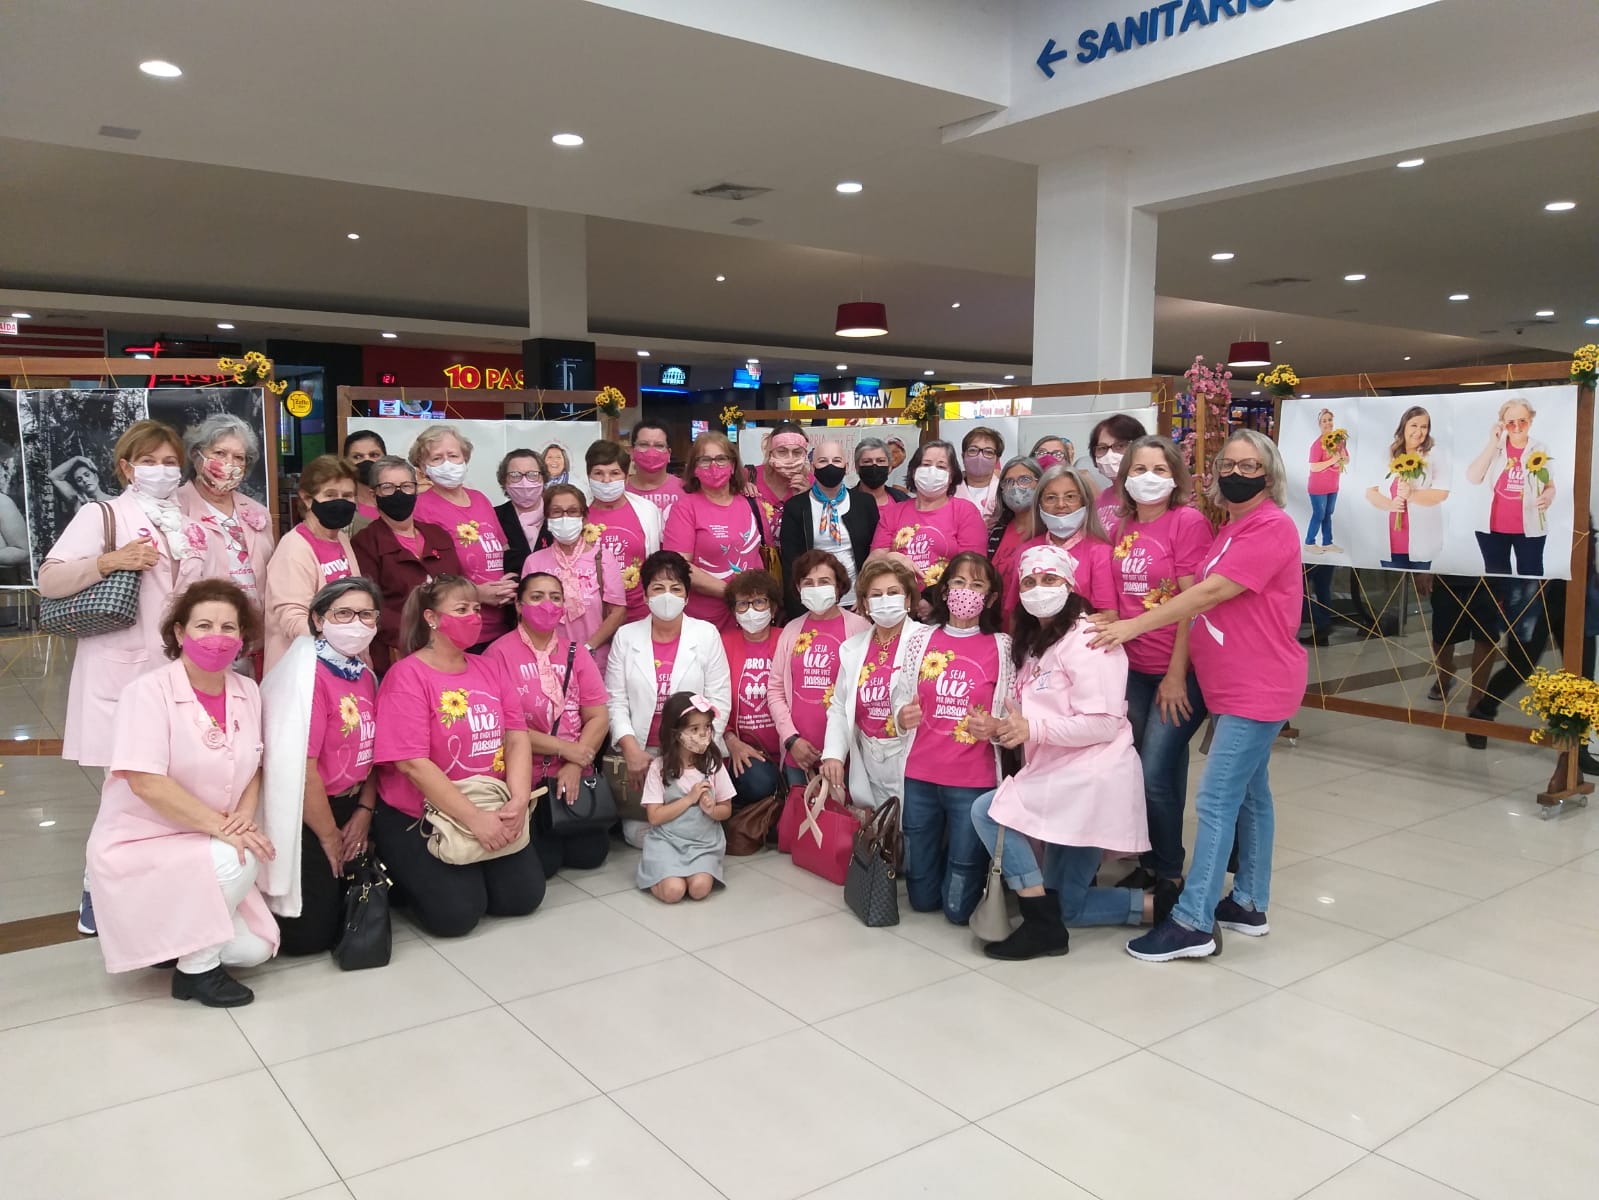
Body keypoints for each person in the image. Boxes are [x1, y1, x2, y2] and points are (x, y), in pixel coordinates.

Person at [1092, 429, 1306, 962]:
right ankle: (1250, 902)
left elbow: (1207, 592)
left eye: (1250, 466)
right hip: (1231, 681)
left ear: (1270, 475)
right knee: (1252, 794)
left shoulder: (1272, 527)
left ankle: (1192, 922)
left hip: (1259, 684)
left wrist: (1132, 627)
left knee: (1216, 799)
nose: (1237, 473)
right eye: (1228, 464)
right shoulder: (1232, 528)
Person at [39, 419, 210, 935]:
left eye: (169, 461)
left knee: (171, 784)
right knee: (126, 788)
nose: (161, 470)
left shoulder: (188, 522)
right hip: (124, 673)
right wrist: (110, 560)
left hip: (179, 672)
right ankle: (96, 891)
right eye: (149, 460)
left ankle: (155, 884)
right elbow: (49, 580)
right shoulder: (104, 513)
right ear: (126, 466)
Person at [85, 579, 279, 1006]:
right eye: (204, 625)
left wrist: (243, 818)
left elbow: (255, 766)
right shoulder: (148, 693)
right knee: (238, 857)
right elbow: (146, 782)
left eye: (229, 628)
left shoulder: (247, 692)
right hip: (143, 841)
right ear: (179, 633)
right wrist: (227, 831)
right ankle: (195, 971)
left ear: (243, 636)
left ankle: (171, 940)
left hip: (208, 836)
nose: (217, 637)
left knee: (255, 949)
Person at [968, 545, 1163, 960]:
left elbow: (1104, 722)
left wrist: (1030, 728)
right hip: (1057, 771)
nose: (1039, 590)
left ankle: (1040, 921)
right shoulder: (1036, 643)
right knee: (1068, 906)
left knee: (989, 811)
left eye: (1050, 580)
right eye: (1030, 582)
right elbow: (1034, 717)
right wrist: (1000, 728)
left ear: (1070, 585)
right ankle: (1161, 909)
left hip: (1091, 776)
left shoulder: (1091, 638)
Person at [370, 575, 545, 937]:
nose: (474, 617)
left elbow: (516, 737)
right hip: (423, 813)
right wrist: (475, 820)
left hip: (488, 799)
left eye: (477, 609)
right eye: (462, 609)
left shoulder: (489, 667)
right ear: (432, 618)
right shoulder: (408, 676)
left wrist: (517, 800)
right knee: (457, 916)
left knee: (523, 897)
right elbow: (412, 764)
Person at [1104, 436, 1213, 890]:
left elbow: (1194, 603)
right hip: (1132, 670)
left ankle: (1169, 872)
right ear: (1125, 478)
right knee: (1147, 771)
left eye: (1160, 470)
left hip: (1177, 671)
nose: (1148, 478)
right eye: (1139, 469)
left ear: (1175, 478)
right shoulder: (1121, 527)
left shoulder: (1186, 523)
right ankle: (1150, 863)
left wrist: (1175, 674)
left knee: (1154, 772)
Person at [260, 578, 381, 957]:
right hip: (308, 811)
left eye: (366, 614)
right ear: (317, 619)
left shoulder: (364, 674)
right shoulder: (305, 678)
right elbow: (302, 767)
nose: (355, 624)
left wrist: (364, 810)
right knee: (308, 939)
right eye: (343, 614)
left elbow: (376, 750)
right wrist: (330, 836)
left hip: (353, 803)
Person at [898, 551, 1012, 923]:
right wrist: (903, 715)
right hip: (919, 776)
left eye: (977, 585)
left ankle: (963, 886)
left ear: (991, 597)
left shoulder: (1003, 647)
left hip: (972, 781)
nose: (967, 592)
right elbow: (897, 699)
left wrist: (994, 728)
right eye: (959, 583)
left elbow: (1014, 713)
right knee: (919, 896)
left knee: (958, 910)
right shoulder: (919, 639)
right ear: (945, 591)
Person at [484, 571, 613, 877]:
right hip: (525, 778)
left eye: (555, 597)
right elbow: (503, 728)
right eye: (537, 596)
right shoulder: (497, 654)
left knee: (591, 856)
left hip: (573, 772)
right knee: (545, 864)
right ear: (518, 605)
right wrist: (563, 748)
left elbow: (598, 716)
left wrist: (575, 760)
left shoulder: (576, 652)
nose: (547, 604)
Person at [605, 551, 731, 842]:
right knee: (637, 833)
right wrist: (631, 749)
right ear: (646, 595)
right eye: (658, 588)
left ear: (687, 597)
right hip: (643, 754)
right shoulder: (626, 636)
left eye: (676, 589)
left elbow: (719, 700)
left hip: (693, 751)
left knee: (692, 819)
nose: (667, 596)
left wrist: (696, 749)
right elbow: (616, 700)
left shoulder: (706, 634)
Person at [767, 550, 870, 816]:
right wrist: (792, 740)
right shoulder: (791, 630)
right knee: (805, 828)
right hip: (799, 752)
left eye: (824, 582)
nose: (816, 588)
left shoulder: (860, 628)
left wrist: (839, 748)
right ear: (798, 588)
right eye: (808, 583)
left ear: (839, 587)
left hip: (845, 753)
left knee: (841, 827)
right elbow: (776, 689)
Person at [821, 556, 927, 809]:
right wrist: (833, 755)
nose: (885, 600)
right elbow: (838, 707)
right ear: (865, 604)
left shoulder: (927, 641)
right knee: (880, 835)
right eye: (876, 595)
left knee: (913, 837)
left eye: (893, 592)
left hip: (913, 759)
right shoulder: (852, 648)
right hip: (869, 761)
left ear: (908, 599)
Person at [351, 456, 464, 672]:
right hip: (396, 655)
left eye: (405, 486)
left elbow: (458, 587)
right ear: (374, 495)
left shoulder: (438, 535)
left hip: (450, 648)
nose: (398, 493)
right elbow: (371, 607)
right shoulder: (365, 543)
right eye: (388, 487)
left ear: (416, 489)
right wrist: (422, 636)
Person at [412, 425, 517, 645]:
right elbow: (426, 576)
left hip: (502, 626)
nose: (447, 463)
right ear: (423, 466)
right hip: (458, 631)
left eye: (453, 455)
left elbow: (503, 550)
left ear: (465, 458)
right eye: (437, 458)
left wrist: (510, 584)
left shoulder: (480, 499)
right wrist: (475, 594)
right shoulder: (421, 507)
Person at [262, 455, 358, 672]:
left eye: (348, 495)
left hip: (342, 663)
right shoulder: (294, 547)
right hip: (303, 669)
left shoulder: (342, 539)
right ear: (306, 498)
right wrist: (340, 638)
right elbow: (292, 618)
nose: (340, 502)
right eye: (330, 495)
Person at [638, 692, 736, 902]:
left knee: (699, 889)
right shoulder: (659, 768)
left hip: (704, 844)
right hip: (667, 842)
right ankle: (657, 874)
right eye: (694, 729)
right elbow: (654, 817)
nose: (703, 734)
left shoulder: (713, 766)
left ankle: (696, 869)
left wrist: (712, 809)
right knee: (673, 892)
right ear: (675, 733)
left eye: (707, 727)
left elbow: (726, 809)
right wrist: (689, 799)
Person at [662, 431, 766, 630]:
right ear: (693, 468)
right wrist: (733, 592)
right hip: (705, 621)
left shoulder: (751, 503)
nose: (714, 466)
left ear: (733, 465)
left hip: (751, 618)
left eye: (721, 459)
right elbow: (679, 566)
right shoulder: (685, 508)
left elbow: (761, 556)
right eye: (705, 460)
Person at [519, 483, 626, 673]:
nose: (565, 517)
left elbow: (617, 612)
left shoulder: (603, 558)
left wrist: (588, 648)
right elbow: (525, 612)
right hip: (548, 660)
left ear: (584, 518)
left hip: (595, 659)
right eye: (557, 512)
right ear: (547, 519)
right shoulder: (534, 562)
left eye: (572, 511)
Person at [179, 413, 276, 614]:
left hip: (255, 627)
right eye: (220, 453)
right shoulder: (175, 508)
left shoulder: (259, 512)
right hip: (202, 626)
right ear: (196, 454)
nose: (229, 463)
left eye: (238, 457)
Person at [1001, 464, 1116, 629]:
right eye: (1051, 497)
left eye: (1070, 496)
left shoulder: (1100, 552)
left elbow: (1108, 616)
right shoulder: (1026, 551)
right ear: (1039, 504)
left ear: (1084, 502)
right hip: (1032, 647)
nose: (1061, 504)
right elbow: (1015, 613)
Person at [869, 439, 986, 595]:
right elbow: (871, 564)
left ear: (951, 476)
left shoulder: (965, 511)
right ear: (913, 471)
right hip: (896, 603)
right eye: (925, 464)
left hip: (947, 604)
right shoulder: (893, 513)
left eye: (941, 466)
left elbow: (973, 567)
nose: (932, 471)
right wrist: (892, 557)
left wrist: (932, 599)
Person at [778, 437, 878, 618]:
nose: (830, 466)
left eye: (837, 461)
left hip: (856, 599)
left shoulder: (864, 503)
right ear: (812, 466)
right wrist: (798, 606)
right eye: (823, 461)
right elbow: (790, 562)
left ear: (846, 467)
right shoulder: (796, 506)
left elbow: (877, 550)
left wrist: (868, 594)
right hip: (814, 600)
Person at [1465, 396, 1555, 577]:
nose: (1517, 427)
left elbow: (1550, 486)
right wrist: (1493, 442)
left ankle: (1527, 607)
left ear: (1530, 421)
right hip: (1492, 530)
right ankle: (1501, 607)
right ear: (1502, 424)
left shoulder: (1540, 449)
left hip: (1530, 530)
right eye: (1510, 422)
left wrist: (1548, 497)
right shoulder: (1495, 447)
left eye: (1523, 421)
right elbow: (1473, 478)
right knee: (1498, 584)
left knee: (1531, 581)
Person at [720, 570, 785, 807]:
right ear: (734, 612)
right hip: (742, 749)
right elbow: (712, 699)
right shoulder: (723, 643)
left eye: (759, 601)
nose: (751, 610)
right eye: (743, 604)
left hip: (786, 748)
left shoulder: (789, 638)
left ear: (773, 608)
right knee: (759, 783)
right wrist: (731, 741)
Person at [587, 439, 663, 624]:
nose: (606, 480)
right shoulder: (578, 510)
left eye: (614, 473)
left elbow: (657, 562)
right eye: (598, 473)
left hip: (639, 615)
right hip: (591, 616)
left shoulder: (647, 510)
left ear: (626, 477)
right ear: (588, 475)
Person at [1365, 405, 1450, 571]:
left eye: (1424, 427)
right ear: (1403, 426)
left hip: (1423, 538)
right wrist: (1390, 505)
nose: (1419, 431)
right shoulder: (1388, 452)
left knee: (1419, 594)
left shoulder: (1434, 454)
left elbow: (1442, 493)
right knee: (1394, 592)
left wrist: (1412, 495)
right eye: (1414, 425)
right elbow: (1370, 492)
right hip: (1391, 539)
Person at [992, 456, 1043, 616]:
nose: (1016, 487)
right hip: (998, 623)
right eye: (1008, 482)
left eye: (1025, 479)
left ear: (1040, 483)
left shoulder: (1049, 531)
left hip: (1032, 624)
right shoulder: (997, 531)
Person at [754, 422, 813, 547]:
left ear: (805, 454)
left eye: (797, 452)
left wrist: (809, 498)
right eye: (782, 451)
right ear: (771, 452)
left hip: (796, 560)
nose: (790, 458)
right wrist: (741, 487)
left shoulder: (813, 483)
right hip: (756, 561)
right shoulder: (749, 476)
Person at [493, 447, 548, 579]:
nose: (525, 482)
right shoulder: (493, 517)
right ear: (504, 481)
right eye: (515, 476)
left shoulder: (558, 515)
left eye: (533, 475)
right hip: (508, 595)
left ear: (543, 478)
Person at [1088, 414, 1148, 527]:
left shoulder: (1151, 497)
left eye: (1120, 446)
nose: (1110, 454)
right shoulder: (1100, 500)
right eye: (1102, 448)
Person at [1305, 408, 1348, 554]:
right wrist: (1333, 460)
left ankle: (1327, 542)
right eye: (1324, 421)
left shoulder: (1338, 441)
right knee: (1319, 514)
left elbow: (1346, 460)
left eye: (1329, 420)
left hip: (1333, 486)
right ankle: (1309, 542)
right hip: (1318, 488)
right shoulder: (1317, 444)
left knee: (1328, 514)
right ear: (1319, 424)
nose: (1328, 423)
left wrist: (1342, 456)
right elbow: (1314, 467)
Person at [626, 419, 684, 520]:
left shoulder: (686, 489)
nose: (651, 451)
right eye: (644, 444)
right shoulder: (620, 491)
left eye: (659, 445)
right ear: (632, 452)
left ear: (669, 453)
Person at [955, 426, 1006, 531]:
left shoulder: (1005, 489)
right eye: (973, 450)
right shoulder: (948, 490)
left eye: (988, 452)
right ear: (963, 456)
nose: (980, 456)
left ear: (997, 460)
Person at [344, 429, 387, 531]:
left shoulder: (402, 501)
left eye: (374, 455)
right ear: (346, 462)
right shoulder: (341, 505)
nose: (367, 460)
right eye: (357, 457)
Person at [853, 437, 908, 508]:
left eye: (881, 461)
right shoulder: (845, 502)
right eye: (867, 461)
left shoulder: (904, 502)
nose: (874, 465)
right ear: (857, 467)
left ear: (890, 466)